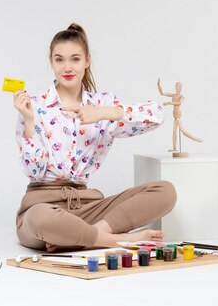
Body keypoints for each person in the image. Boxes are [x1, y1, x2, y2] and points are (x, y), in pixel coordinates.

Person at [13, 23, 176, 252]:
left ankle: (84, 236)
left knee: (165, 191)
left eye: (75, 59)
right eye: (59, 59)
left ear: (87, 61)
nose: (67, 67)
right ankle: (117, 240)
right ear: (51, 62)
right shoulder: (34, 105)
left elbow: (156, 115)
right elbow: (34, 172)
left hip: (89, 208)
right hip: (42, 206)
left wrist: (103, 113)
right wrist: (29, 121)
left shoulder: (102, 105)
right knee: (41, 217)